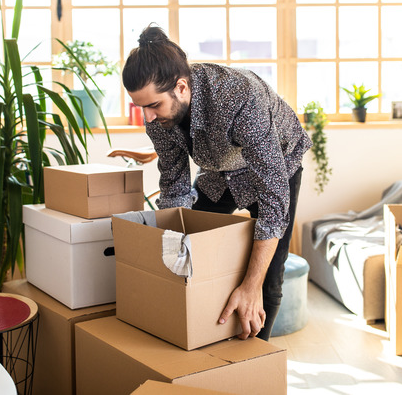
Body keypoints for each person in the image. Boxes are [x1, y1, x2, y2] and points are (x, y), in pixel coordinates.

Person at [122, 25, 312, 341]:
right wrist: (170, 258)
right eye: (140, 106)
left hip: (277, 167)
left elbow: (272, 199)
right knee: (194, 244)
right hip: (219, 170)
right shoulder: (158, 117)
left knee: (268, 278)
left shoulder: (239, 97)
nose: (148, 117)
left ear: (181, 88)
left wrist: (251, 286)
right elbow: (174, 186)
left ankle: (253, 360)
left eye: (153, 105)